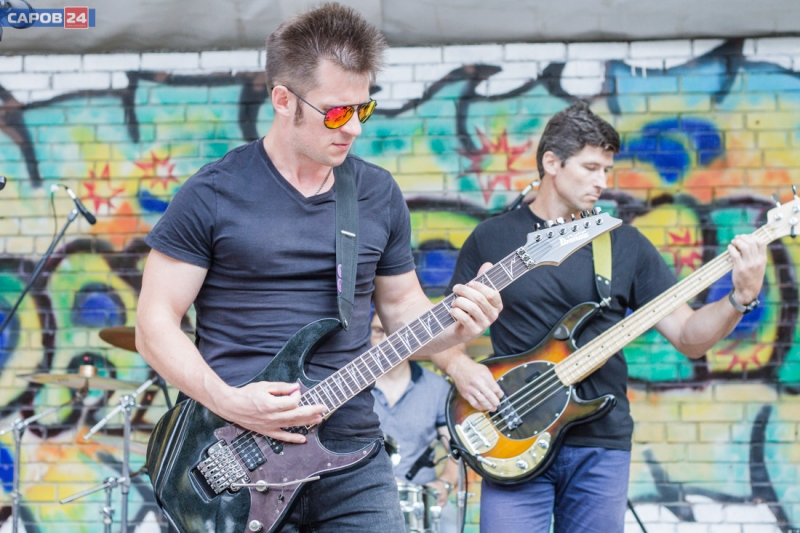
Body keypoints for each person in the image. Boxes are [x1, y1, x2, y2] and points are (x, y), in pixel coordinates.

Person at [134, 3, 502, 532]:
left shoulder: (376, 193)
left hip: (351, 451)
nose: (353, 128)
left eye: (363, 109)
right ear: (283, 100)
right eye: (335, 112)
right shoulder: (212, 193)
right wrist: (232, 402)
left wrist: (457, 327)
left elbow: (402, 310)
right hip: (235, 454)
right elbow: (154, 325)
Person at [434, 101, 767, 533]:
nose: (602, 182)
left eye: (607, 170)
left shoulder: (624, 244)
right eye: (590, 168)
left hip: (600, 443)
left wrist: (740, 298)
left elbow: (689, 336)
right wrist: (460, 367)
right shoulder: (492, 238)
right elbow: (440, 332)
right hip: (510, 434)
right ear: (551, 163)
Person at [370, 313, 459, 532]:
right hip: (367, 498)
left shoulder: (437, 388)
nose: (386, 341)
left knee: (450, 522)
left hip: (421, 498)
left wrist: (445, 483)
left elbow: (457, 451)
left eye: (394, 333)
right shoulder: (350, 389)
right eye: (378, 331)